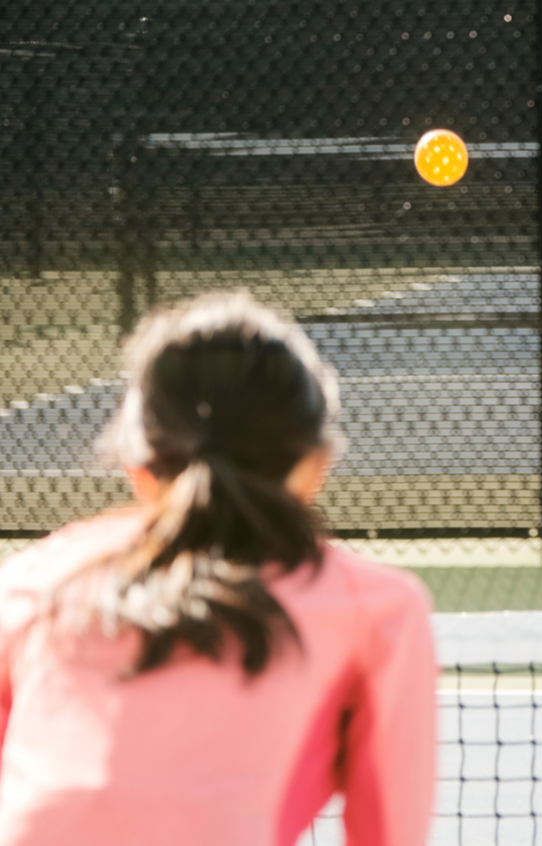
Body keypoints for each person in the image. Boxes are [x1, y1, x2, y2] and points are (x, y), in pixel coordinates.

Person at [0, 293, 436, 845]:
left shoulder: (33, 580)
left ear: (139, 469)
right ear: (315, 468)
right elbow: (390, 834)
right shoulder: (379, 610)